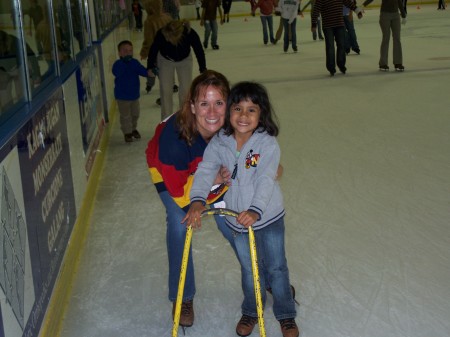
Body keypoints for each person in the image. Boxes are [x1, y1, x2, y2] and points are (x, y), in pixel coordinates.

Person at [183, 81, 299, 337]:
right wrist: (197, 200)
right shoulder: (220, 142)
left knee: (277, 268)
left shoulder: (266, 144)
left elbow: (266, 178)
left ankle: (286, 314)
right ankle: (251, 310)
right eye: (238, 108)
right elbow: (205, 171)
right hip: (237, 221)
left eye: (251, 110)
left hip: (267, 218)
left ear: (262, 114)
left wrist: (256, 210)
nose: (243, 116)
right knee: (250, 269)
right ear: (229, 112)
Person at [145, 70, 236, 330]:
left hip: (210, 174)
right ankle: (183, 296)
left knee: (235, 225)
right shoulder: (173, 141)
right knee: (179, 222)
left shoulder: (234, 126)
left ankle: (265, 276)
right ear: (192, 106)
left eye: (219, 103)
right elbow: (182, 196)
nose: (212, 112)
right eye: (204, 103)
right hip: (173, 175)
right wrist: (215, 183)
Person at [147, 19, 206, 120]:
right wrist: (150, 67)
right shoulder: (162, 34)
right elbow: (153, 49)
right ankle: (166, 120)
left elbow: (198, 49)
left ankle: (185, 117)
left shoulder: (189, 33)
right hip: (165, 60)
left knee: (186, 90)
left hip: (184, 60)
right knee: (166, 90)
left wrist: (203, 68)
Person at [112, 40, 152, 143]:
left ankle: (133, 128)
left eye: (130, 51)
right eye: (125, 51)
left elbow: (141, 70)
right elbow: (117, 73)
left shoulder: (134, 62)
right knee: (126, 116)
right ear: (119, 53)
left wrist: (148, 73)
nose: (128, 53)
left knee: (135, 114)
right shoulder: (118, 64)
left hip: (134, 95)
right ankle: (127, 132)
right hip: (122, 97)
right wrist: (124, 63)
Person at [311, 0, 363, 76]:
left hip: (339, 24)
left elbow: (349, 3)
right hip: (328, 26)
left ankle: (341, 65)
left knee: (341, 45)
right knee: (330, 47)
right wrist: (313, 24)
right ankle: (331, 67)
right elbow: (316, 10)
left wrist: (358, 11)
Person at [363, 0, 406, 71]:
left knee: (397, 38)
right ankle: (383, 63)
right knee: (386, 37)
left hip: (396, 15)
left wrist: (403, 15)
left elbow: (399, 1)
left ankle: (398, 63)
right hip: (385, 15)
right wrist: (364, 5)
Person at [139, 0, 172, 93]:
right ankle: (170, 84)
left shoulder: (149, 21)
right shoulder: (167, 17)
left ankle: (150, 85)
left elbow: (148, 39)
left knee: (152, 68)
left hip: (156, 51)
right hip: (168, 50)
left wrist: (144, 52)